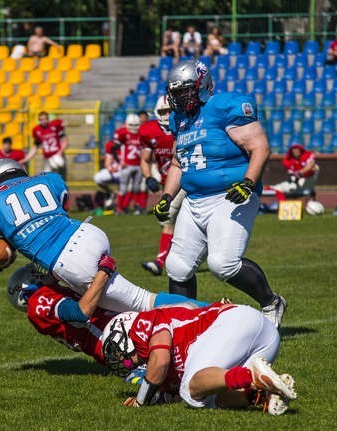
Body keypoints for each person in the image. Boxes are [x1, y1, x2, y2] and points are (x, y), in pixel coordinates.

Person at [0, 159, 208, 314]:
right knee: (109, 306)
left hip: (70, 258)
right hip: (89, 233)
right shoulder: (47, 179)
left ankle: (213, 311)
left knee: (141, 302)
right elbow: (59, 215)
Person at [153, 59, 287, 328]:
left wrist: (248, 182)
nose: (179, 98)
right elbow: (179, 162)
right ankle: (184, 325)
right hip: (194, 199)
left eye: (185, 90)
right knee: (177, 266)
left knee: (222, 263)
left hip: (231, 194)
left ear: (202, 85)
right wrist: (167, 196)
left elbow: (260, 147)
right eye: (175, 92)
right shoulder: (180, 118)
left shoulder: (226, 106)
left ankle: (272, 302)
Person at [100, 303, 297, 414]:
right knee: (210, 393)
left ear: (124, 329)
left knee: (189, 389)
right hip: (266, 336)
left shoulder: (142, 324)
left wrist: (140, 401)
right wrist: (156, 397)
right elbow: (165, 384)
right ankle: (261, 394)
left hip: (235, 322)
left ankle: (252, 376)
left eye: (115, 350)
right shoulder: (160, 376)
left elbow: (160, 360)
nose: (118, 357)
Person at [139, 96, 185, 276]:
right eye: (163, 112)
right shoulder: (149, 131)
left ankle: (159, 262)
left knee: (167, 216)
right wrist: (149, 176)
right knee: (174, 222)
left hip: (187, 178)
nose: (166, 115)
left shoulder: (183, 126)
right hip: (167, 180)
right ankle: (178, 257)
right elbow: (144, 159)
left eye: (169, 111)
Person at [23, 112, 69, 179]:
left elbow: (65, 141)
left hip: (56, 154)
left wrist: (60, 152)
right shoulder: (37, 130)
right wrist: (26, 159)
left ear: (48, 119)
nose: (43, 121)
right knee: (46, 177)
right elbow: (35, 146)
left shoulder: (55, 126)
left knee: (59, 163)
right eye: (41, 120)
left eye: (45, 119)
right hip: (47, 158)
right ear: (39, 120)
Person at [115, 114, 145, 214]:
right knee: (123, 188)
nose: (133, 127)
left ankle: (136, 207)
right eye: (131, 125)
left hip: (138, 164)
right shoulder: (122, 133)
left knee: (137, 187)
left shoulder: (141, 133)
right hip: (127, 165)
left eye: (135, 125)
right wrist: (120, 161)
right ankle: (119, 208)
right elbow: (114, 148)